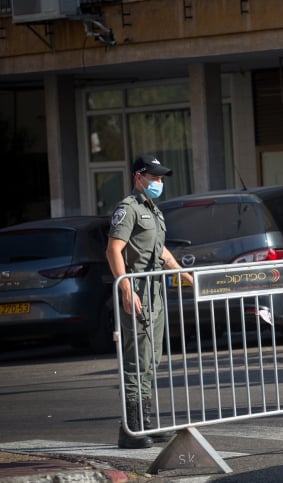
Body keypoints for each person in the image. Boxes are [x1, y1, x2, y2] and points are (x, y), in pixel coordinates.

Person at [106, 154, 193, 449]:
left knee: (151, 359)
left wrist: (183, 274)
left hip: (156, 293)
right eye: (153, 177)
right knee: (136, 362)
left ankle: (145, 421)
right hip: (138, 291)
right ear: (138, 177)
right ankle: (129, 429)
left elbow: (161, 250)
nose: (159, 182)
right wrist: (127, 289)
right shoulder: (128, 209)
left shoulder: (153, 210)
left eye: (160, 178)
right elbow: (113, 250)